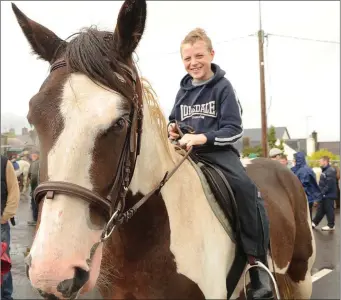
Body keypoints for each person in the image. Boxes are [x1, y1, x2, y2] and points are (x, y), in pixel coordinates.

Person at [168, 28, 273, 299]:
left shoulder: (223, 87)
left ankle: (257, 265)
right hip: (186, 153)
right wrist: (171, 128)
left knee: (247, 191)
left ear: (211, 54)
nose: (194, 63)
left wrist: (203, 137)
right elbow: (173, 119)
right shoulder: (183, 91)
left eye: (199, 55)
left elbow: (235, 129)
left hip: (218, 153)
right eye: (187, 58)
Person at [1, 155, 20, 300]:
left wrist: (4, 217)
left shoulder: (4, 163)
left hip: (0, 225)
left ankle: (6, 297)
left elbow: (14, 192)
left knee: (3, 265)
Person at [290, 152, 323, 220]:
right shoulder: (301, 169)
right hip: (305, 198)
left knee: (305, 218)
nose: (293, 160)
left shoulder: (304, 170)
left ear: (298, 160)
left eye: (294, 159)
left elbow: (302, 186)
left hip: (305, 198)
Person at [312, 156, 338, 231]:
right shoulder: (325, 170)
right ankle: (314, 222)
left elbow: (329, 184)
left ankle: (331, 225)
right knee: (321, 209)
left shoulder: (330, 170)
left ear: (325, 161)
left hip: (328, 195)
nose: (319, 162)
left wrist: (322, 192)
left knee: (329, 209)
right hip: (324, 194)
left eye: (320, 161)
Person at [27, 150, 40, 226]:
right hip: (37, 185)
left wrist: (33, 187)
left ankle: (35, 219)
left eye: (34, 156)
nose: (33, 157)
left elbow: (34, 176)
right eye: (32, 156)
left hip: (35, 186)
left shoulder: (35, 163)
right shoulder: (36, 162)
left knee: (34, 202)